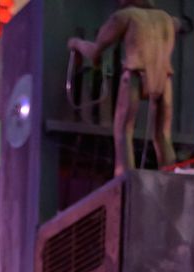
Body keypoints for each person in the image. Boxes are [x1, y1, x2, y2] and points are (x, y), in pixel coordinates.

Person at [69, 2, 179, 176]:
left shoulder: (125, 16)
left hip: (136, 75)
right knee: (163, 135)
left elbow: (95, 51)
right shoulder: (167, 20)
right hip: (164, 81)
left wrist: (75, 43)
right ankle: (171, 180)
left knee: (123, 131)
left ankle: (125, 182)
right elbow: (177, 25)